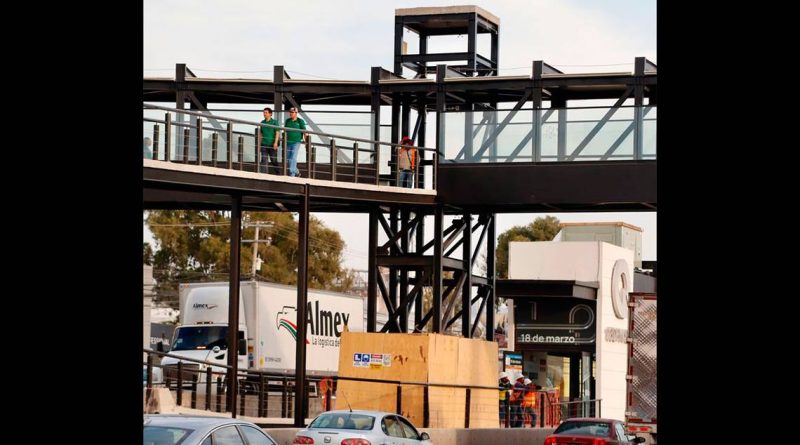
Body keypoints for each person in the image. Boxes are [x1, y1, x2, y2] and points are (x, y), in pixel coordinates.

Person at [284, 107, 307, 177]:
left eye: (292, 112)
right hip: (288, 142)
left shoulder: (300, 121)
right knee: (289, 159)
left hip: (296, 142)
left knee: (293, 157)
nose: (291, 113)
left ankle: (292, 174)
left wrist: (306, 142)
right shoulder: (287, 121)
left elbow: (305, 132)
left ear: (296, 113)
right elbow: (285, 131)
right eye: (290, 112)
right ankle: (296, 171)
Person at [259, 107, 280, 174]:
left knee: (273, 160)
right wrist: (259, 144)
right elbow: (261, 134)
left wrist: (276, 143)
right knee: (264, 160)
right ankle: (264, 175)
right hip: (264, 144)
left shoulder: (274, 122)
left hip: (272, 144)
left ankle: (278, 173)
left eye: (266, 112)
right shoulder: (262, 122)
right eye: (264, 112)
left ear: (270, 114)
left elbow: (277, 133)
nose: (264, 114)